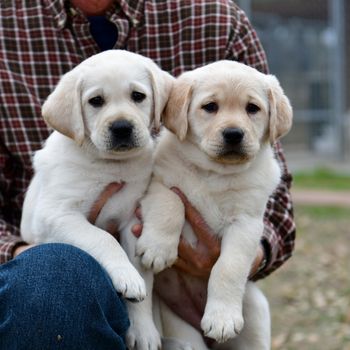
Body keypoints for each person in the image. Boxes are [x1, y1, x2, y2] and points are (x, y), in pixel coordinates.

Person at [0, 0, 296, 348]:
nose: (122, 119)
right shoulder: (8, 23)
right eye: (97, 102)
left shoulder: (215, 19)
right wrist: (22, 254)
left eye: (139, 97)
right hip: (43, 279)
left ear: (161, 105)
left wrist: (228, 264)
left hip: (163, 290)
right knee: (51, 276)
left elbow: (273, 208)